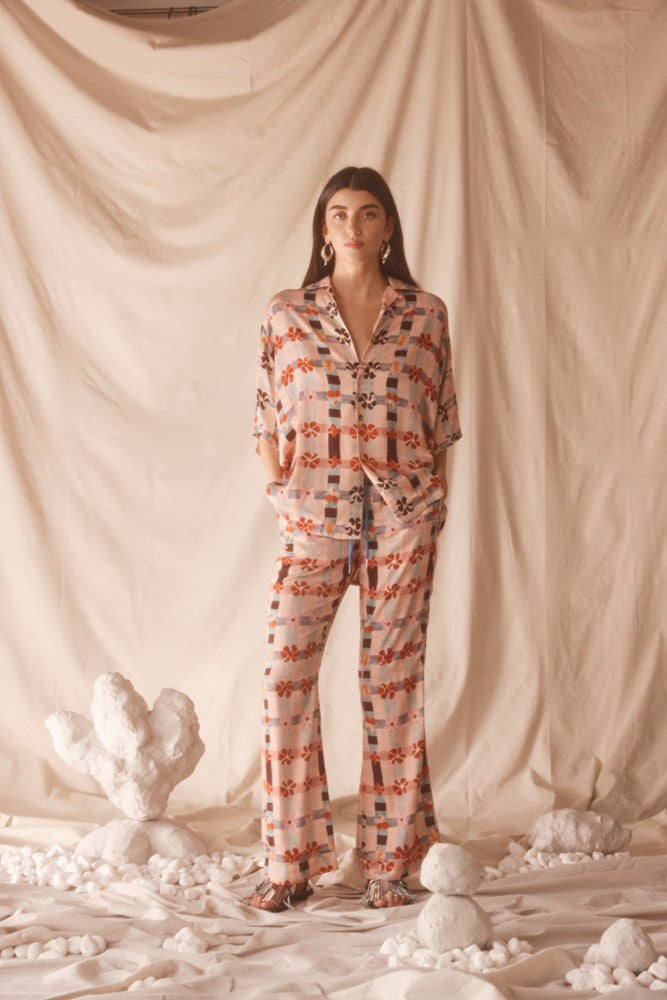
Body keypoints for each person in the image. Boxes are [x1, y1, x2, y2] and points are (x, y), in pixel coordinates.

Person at [242, 166, 462, 912]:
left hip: (403, 519)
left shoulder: (424, 315)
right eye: (338, 214)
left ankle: (389, 863)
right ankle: (291, 861)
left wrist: (433, 509)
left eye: (367, 214)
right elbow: (265, 418)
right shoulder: (288, 314)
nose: (353, 226)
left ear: (387, 227)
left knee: (391, 686)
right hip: (312, 518)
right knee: (284, 676)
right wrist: (281, 494)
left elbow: (441, 424)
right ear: (323, 228)